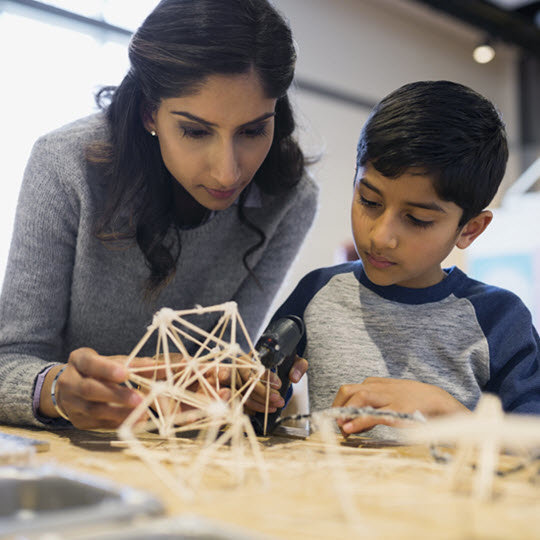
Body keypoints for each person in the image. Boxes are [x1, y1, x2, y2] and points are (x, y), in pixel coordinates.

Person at [0, 0, 318, 430]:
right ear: (151, 111)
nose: (228, 171)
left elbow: (228, 364)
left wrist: (249, 387)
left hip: (180, 456)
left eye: (252, 130)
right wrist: (57, 390)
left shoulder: (289, 199)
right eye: (195, 130)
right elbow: (10, 361)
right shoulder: (66, 164)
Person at [263, 80, 540, 436]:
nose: (380, 236)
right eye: (369, 201)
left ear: (470, 229)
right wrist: (256, 395)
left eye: (417, 219)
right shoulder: (318, 292)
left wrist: (454, 417)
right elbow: (261, 402)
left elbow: (531, 448)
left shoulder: (499, 319)